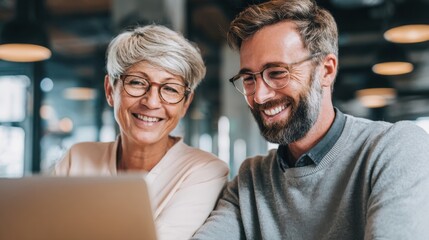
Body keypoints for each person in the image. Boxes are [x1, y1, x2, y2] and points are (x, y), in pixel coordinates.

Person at [192, 0, 429, 239]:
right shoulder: (252, 179)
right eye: (249, 79)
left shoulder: (396, 148)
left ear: (326, 70)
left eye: (277, 73)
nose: (260, 96)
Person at [53, 24, 229, 240]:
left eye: (170, 89)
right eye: (137, 82)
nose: (151, 102)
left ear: (185, 103)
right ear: (110, 90)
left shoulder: (205, 170)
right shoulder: (77, 158)